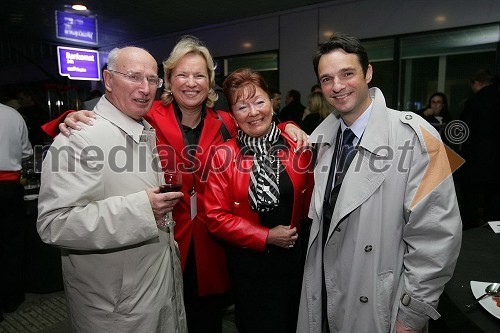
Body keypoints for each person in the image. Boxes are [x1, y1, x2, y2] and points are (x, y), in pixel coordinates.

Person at [42, 35, 308, 333]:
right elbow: (104, 120)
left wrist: (290, 126)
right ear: (167, 80)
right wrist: (68, 117)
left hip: (213, 243)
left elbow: (258, 123)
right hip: (163, 236)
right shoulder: (145, 116)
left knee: (207, 318)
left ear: (210, 82)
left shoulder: (226, 121)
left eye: (199, 75)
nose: (191, 82)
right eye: (182, 74)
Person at [297, 33, 462, 333]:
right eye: (326, 79)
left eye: (347, 73)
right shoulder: (324, 140)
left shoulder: (416, 137)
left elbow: (437, 240)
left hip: (379, 304)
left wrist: (411, 317)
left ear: (368, 72)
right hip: (330, 295)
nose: (337, 86)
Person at [37, 46, 187, 332]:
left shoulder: (144, 130)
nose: (145, 88)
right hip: (115, 306)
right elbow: (54, 224)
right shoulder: (79, 138)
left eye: (152, 80)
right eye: (133, 76)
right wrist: (143, 209)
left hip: (153, 289)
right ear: (108, 80)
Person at [204, 68, 313, 333]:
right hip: (249, 265)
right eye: (242, 106)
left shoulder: (297, 145)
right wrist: (265, 236)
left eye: (260, 102)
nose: (253, 112)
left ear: (273, 104)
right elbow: (215, 217)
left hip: (294, 262)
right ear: (233, 115)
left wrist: (292, 126)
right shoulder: (222, 155)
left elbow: (311, 200)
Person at [0, 103, 33, 322]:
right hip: (8, 190)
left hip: (8, 184)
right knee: (11, 242)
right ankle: (11, 298)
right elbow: (26, 153)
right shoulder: (12, 114)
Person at [458, 69, 500, 230]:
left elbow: (463, 131)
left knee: (470, 198)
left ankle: (469, 227)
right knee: (495, 197)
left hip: (475, 158)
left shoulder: (474, 102)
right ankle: (495, 227)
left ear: (476, 83)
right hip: (497, 159)